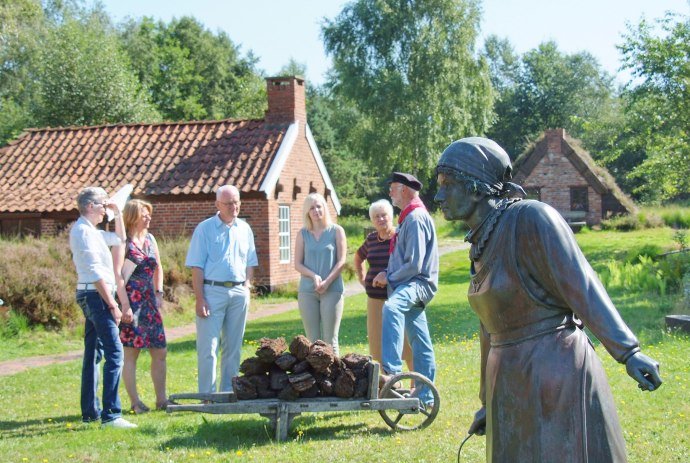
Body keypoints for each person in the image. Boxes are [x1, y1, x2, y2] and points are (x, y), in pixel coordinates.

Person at [434, 137, 663, 462]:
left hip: (553, 372)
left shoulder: (530, 220)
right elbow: (491, 327)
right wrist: (488, 400)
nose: (438, 196)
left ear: (476, 187)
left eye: (447, 185)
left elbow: (580, 283)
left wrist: (629, 352)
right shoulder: (480, 242)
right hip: (510, 381)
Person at [69, 186, 137, 428]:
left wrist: (117, 214)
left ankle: (90, 412)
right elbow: (95, 272)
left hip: (94, 294)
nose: (104, 209)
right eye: (102, 205)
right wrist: (112, 304)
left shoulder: (93, 231)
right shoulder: (83, 232)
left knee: (94, 354)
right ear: (90, 206)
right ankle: (111, 414)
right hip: (96, 295)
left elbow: (120, 240)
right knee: (115, 353)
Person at [372, 173, 438, 408]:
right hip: (409, 284)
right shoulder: (408, 217)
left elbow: (415, 264)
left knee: (392, 307)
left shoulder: (416, 218)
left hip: (417, 283)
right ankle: (425, 396)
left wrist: (388, 276)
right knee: (420, 340)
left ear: (405, 190)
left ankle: (391, 370)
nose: (389, 193)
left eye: (392, 188)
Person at [185, 185, 258, 394]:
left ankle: (228, 391)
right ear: (217, 204)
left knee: (233, 347)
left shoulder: (245, 229)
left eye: (236, 202)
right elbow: (196, 266)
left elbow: (250, 261)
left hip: (238, 293)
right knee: (208, 348)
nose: (233, 207)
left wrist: (247, 286)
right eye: (228, 203)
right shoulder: (205, 229)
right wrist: (200, 299)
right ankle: (207, 396)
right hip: (212, 291)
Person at [117, 199, 173, 413]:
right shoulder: (123, 242)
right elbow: (118, 276)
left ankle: (162, 400)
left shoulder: (150, 239)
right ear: (132, 216)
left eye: (149, 214)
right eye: (144, 214)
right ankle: (135, 402)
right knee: (131, 353)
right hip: (130, 302)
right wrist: (124, 305)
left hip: (150, 301)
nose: (149, 217)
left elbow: (158, 267)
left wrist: (159, 292)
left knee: (160, 351)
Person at [354, 199, 413, 370]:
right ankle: (388, 384)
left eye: (384, 215)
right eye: (376, 216)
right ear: (372, 220)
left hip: (396, 297)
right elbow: (358, 258)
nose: (380, 219)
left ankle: (414, 383)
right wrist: (362, 278)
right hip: (374, 300)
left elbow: (408, 263)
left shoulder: (399, 236)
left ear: (391, 216)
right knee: (377, 343)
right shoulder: (371, 239)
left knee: (406, 342)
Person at [294, 193, 347, 355]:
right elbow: (297, 264)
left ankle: (334, 378)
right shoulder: (302, 234)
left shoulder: (336, 231)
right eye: (312, 208)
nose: (316, 210)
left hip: (332, 290)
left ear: (325, 208)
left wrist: (327, 281)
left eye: (319, 206)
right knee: (312, 341)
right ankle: (315, 380)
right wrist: (314, 276)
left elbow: (341, 261)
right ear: (307, 212)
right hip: (307, 292)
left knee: (330, 340)